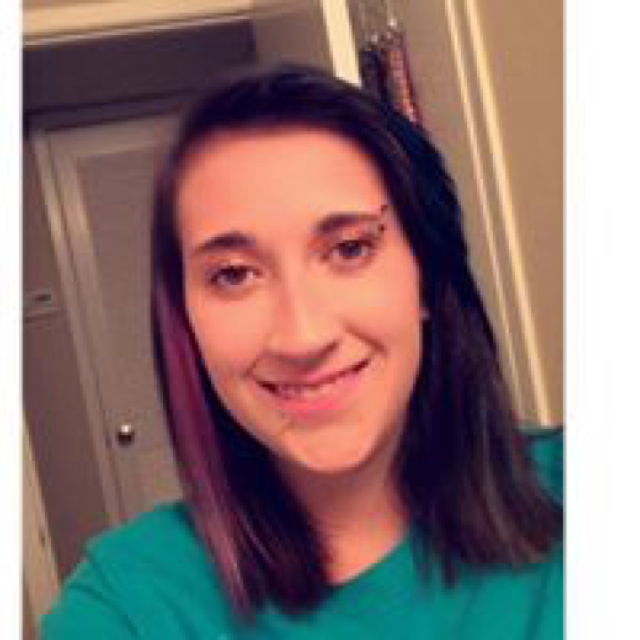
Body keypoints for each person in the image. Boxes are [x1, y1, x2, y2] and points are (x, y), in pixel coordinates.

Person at [41, 64, 563, 639]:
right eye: (234, 274)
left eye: (350, 249)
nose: (302, 336)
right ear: (185, 322)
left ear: (427, 276)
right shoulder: (130, 602)